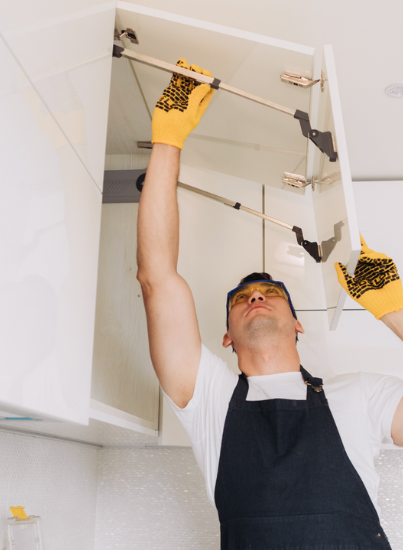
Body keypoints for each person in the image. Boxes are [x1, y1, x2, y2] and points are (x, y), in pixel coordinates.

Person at [136, 58, 403, 548]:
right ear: (225, 337)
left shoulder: (361, 397)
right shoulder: (207, 399)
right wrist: (167, 140)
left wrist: (394, 312)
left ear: (298, 326)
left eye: (271, 293)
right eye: (242, 298)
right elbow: (157, 278)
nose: (256, 295)